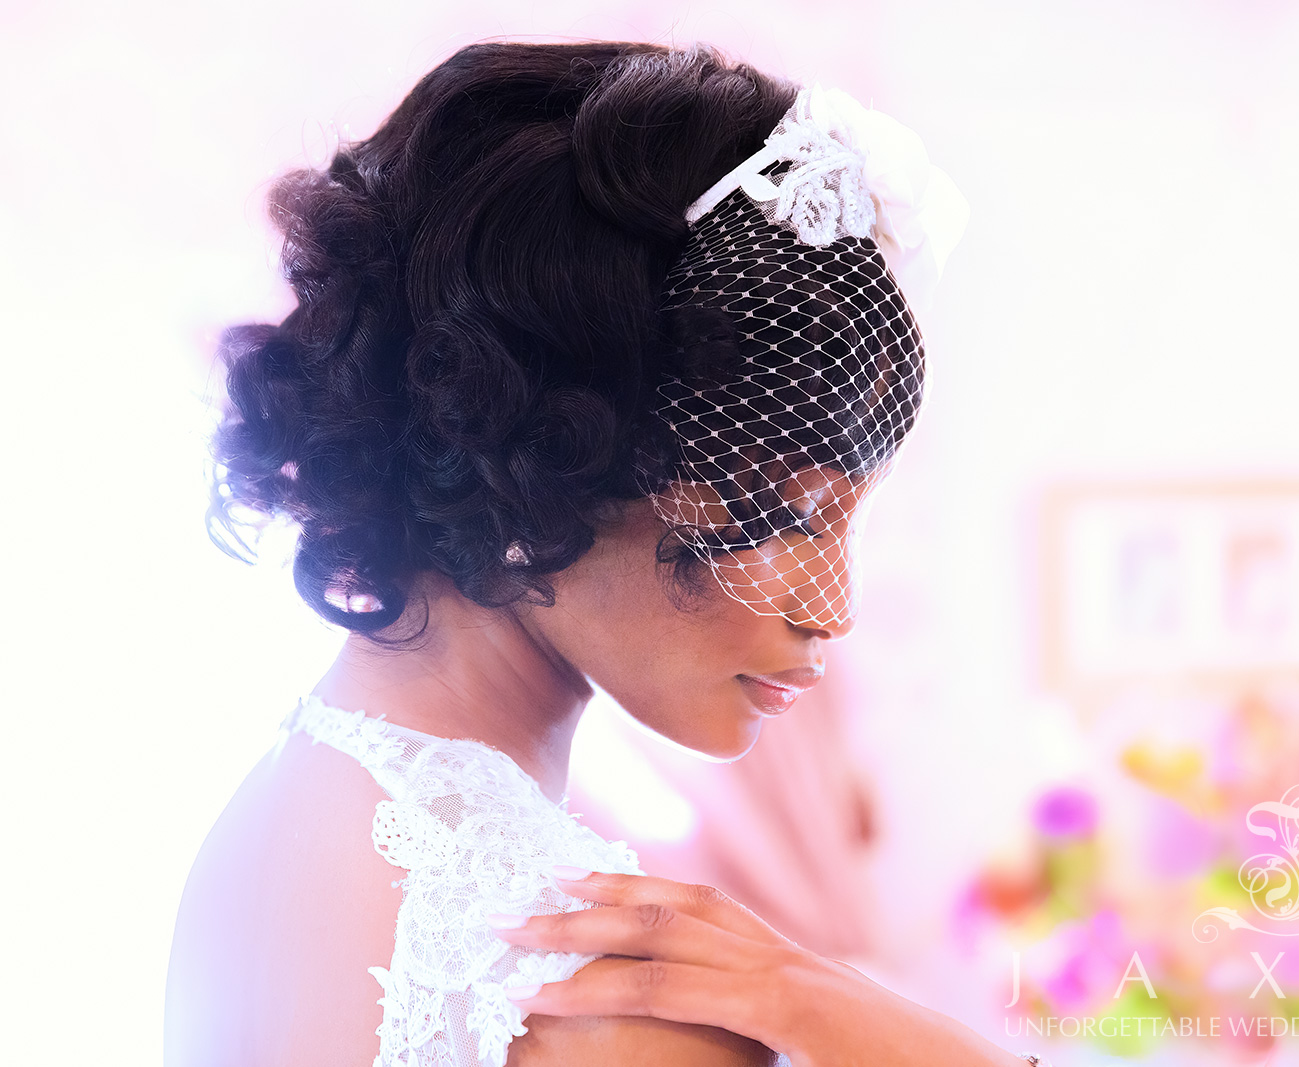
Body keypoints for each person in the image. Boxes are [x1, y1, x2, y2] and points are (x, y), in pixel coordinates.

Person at [164, 40, 1038, 1067]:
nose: (831, 607)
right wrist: (877, 1027)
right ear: (549, 455)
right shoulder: (604, 988)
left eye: (848, 521)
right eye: (784, 514)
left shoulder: (281, 813)